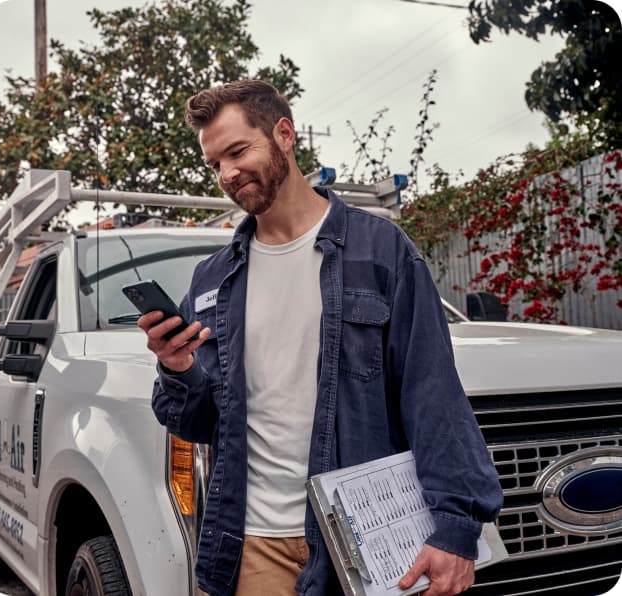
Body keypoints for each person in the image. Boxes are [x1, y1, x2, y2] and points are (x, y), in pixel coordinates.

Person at [139, 79, 502, 596]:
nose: (227, 174)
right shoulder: (212, 279)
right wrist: (177, 369)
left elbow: (432, 393)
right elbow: (197, 423)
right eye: (215, 163)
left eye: (238, 151)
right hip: (254, 542)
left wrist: (457, 527)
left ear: (284, 134)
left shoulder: (379, 250)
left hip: (368, 540)